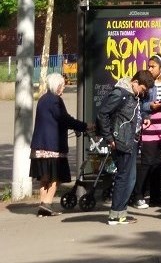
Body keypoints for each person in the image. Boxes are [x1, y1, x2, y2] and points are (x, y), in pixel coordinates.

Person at [96, 69, 154, 226]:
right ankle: (116, 214)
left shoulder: (132, 94)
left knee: (130, 178)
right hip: (121, 140)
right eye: (142, 89)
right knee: (124, 177)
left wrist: (144, 119)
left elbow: (133, 113)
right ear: (135, 82)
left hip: (130, 140)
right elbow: (103, 113)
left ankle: (120, 213)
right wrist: (109, 138)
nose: (142, 93)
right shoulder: (121, 93)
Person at [30, 73, 90, 217]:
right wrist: (84, 126)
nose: (63, 88)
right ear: (57, 86)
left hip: (39, 145)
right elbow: (64, 119)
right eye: (62, 85)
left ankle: (43, 205)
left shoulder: (43, 99)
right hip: (52, 145)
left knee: (44, 177)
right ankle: (47, 204)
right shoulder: (55, 101)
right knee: (56, 177)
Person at [133, 54, 161, 209]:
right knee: (147, 162)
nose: (150, 69)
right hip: (150, 125)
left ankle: (156, 196)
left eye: (153, 66)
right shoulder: (146, 83)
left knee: (159, 163)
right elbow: (139, 104)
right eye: (149, 66)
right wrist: (150, 107)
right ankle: (138, 195)